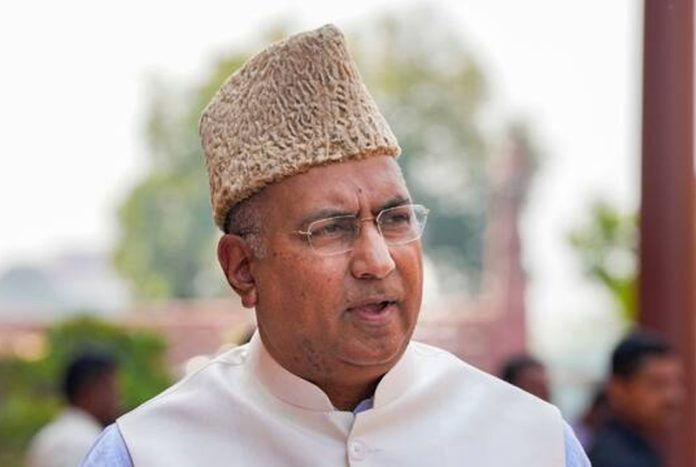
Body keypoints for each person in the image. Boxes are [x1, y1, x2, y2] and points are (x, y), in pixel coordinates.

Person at [83, 24, 589, 466]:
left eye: (396, 219)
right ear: (242, 268)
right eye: (331, 229)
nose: (378, 260)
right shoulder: (147, 452)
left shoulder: (532, 442)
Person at [589, 331, 685, 467]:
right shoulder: (614, 457)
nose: (672, 396)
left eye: (677, 383)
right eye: (656, 384)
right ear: (618, 389)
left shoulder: (639, 448)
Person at [26, 352, 120, 467]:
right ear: (91, 390)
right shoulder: (82, 443)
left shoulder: (51, 434)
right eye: (112, 389)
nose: (118, 399)